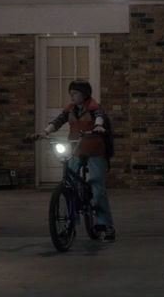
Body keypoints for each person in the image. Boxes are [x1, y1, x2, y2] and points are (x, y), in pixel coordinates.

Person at [37, 79, 116, 242]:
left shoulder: (94, 108)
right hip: (75, 149)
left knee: (97, 187)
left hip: (95, 150)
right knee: (69, 183)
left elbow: (99, 117)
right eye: (71, 93)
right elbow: (58, 121)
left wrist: (98, 126)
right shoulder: (70, 109)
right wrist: (45, 132)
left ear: (85, 94)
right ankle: (70, 223)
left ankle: (105, 224)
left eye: (75, 93)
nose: (72, 96)